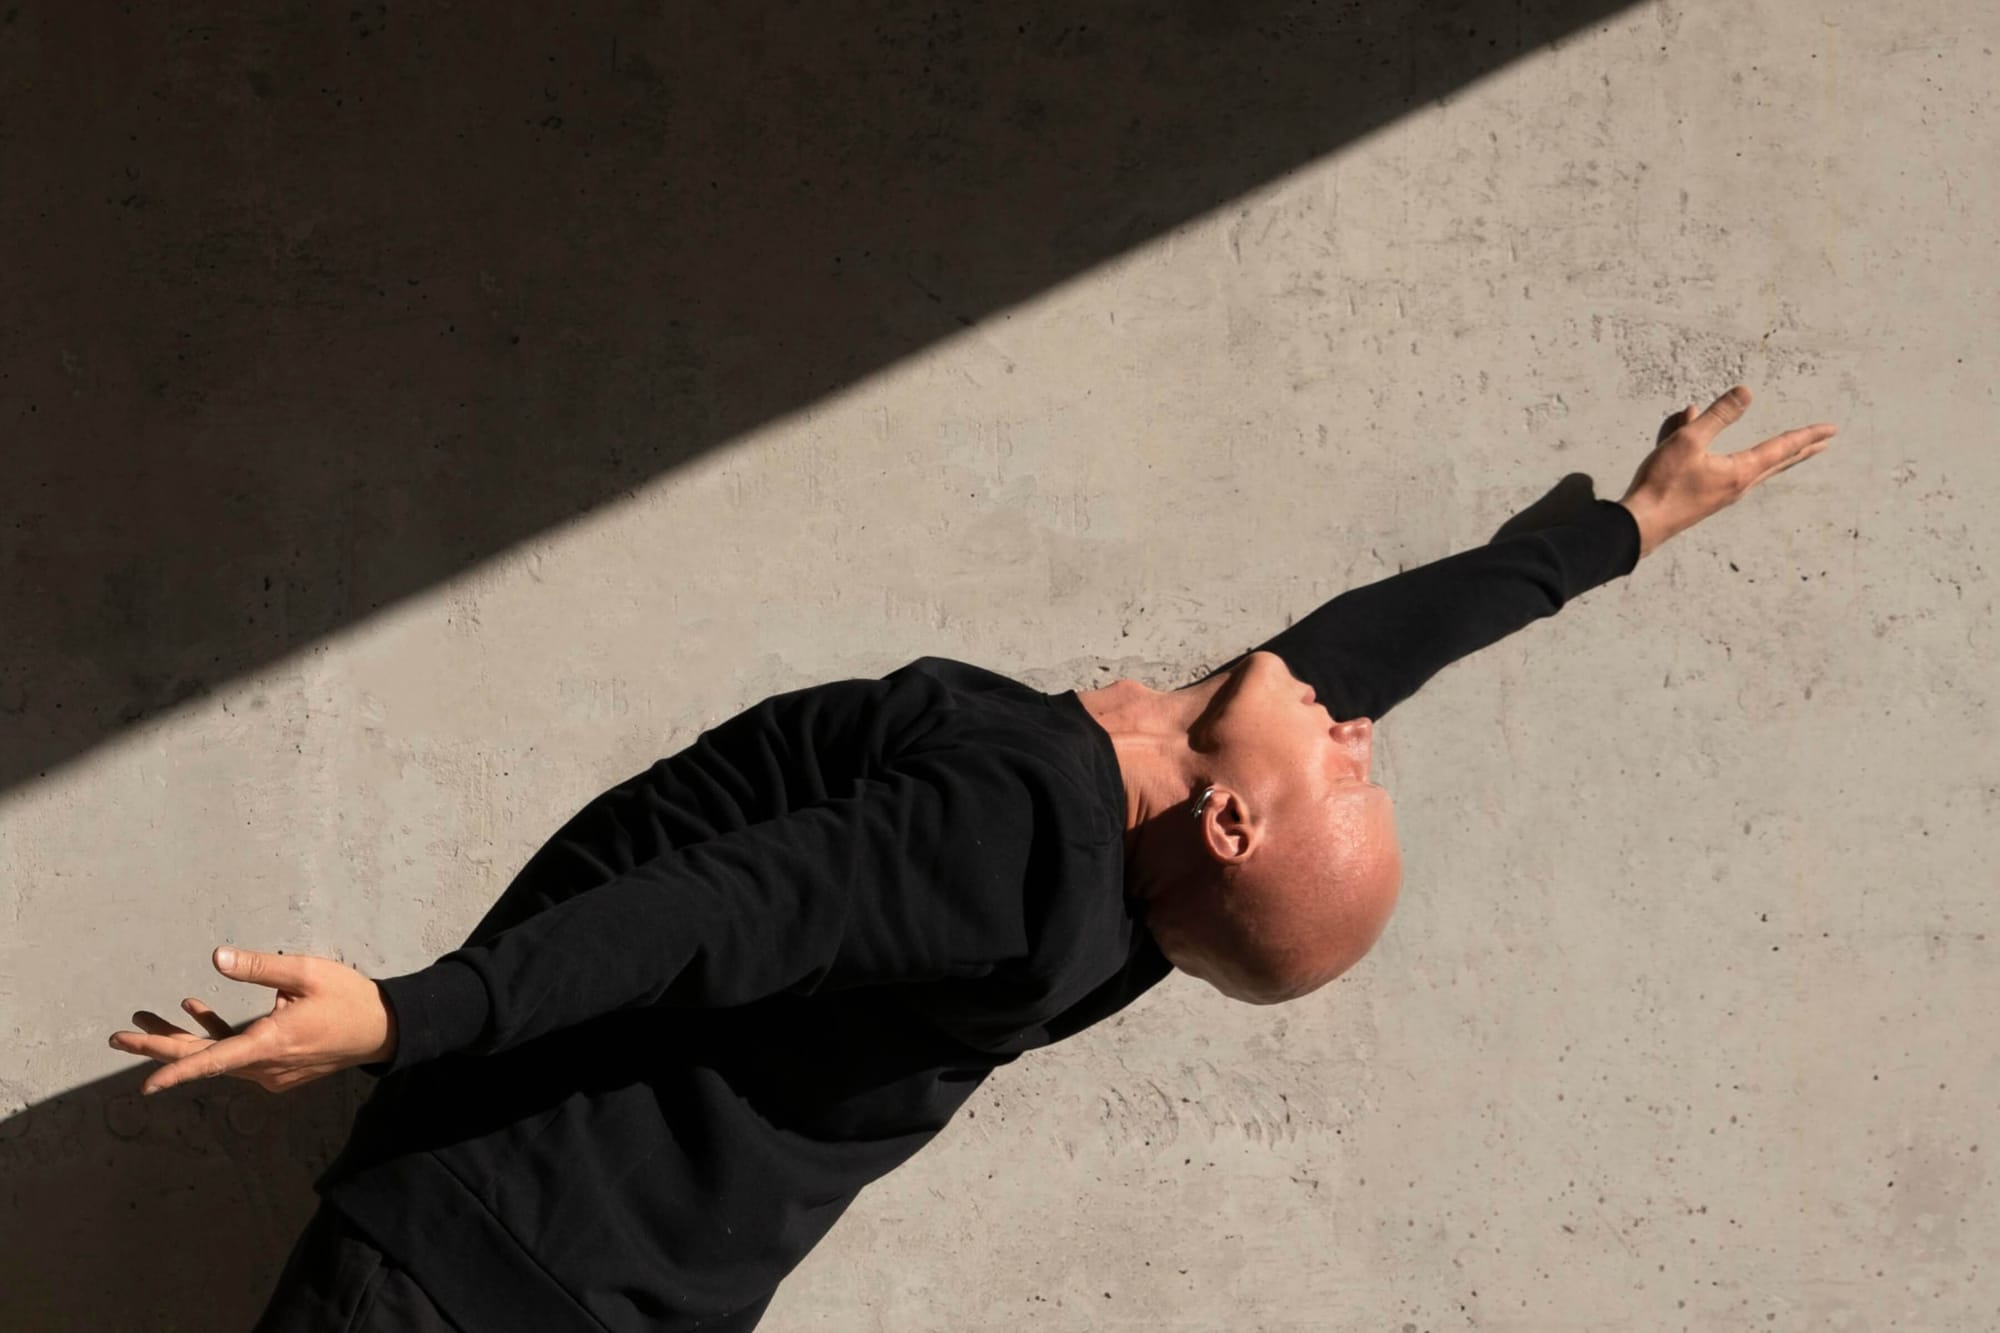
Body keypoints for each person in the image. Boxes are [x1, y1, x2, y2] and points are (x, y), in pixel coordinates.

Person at [111, 385, 1836, 1331]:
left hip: (485, 1269)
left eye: (1350, 774)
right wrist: (1620, 527)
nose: (1362, 733)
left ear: (1231, 816)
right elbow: (1367, 649)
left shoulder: (1014, 848)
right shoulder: (1155, 865)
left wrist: (404, 1017)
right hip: (602, 1285)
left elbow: (715, 916)